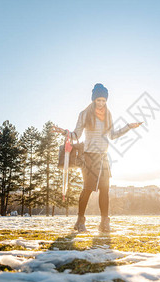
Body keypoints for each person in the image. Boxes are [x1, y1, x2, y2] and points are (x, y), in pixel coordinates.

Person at [53, 83, 141, 232]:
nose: (101, 103)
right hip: (89, 157)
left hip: (103, 157)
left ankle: (104, 224)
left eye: (104, 101)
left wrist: (128, 127)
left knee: (105, 190)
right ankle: (80, 222)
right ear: (93, 100)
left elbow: (112, 135)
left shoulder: (108, 114)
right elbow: (76, 135)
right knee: (87, 189)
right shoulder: (84, 114)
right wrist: (64, 132)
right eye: (98, 100)